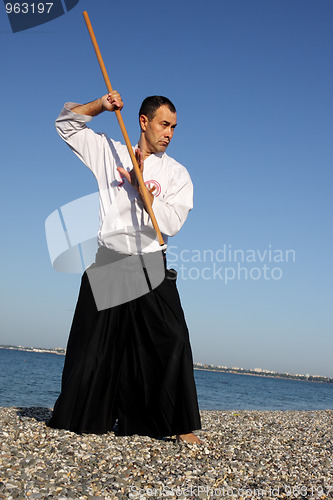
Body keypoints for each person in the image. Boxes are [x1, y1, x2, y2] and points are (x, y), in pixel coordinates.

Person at [48, 91, 201, 444]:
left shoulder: (177, 173)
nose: (170, 133)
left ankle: (176, 423)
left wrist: (140, 188)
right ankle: (88, 415)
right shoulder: (110, 151)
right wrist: (100, 107)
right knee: (93, 352)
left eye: (174, 127)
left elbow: (172, 224)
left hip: (149, 262)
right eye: (164, 124)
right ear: (143, 122)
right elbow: (66, 125)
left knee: (172, 339)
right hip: (111, 262)